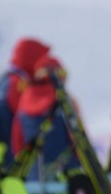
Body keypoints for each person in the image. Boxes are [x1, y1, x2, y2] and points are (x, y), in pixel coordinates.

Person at [0, 37, 50, 169]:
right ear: (30, 58)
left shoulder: (6, 80)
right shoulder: (19, 85)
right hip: (13, 159)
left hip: (2, 154)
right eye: (41, 59)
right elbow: (26, 121)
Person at [11, 52, 79, 180]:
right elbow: (77, 137)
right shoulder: (64, 100)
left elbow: (17, 142)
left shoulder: (25, 98)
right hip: (65, 174)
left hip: (34, 175)